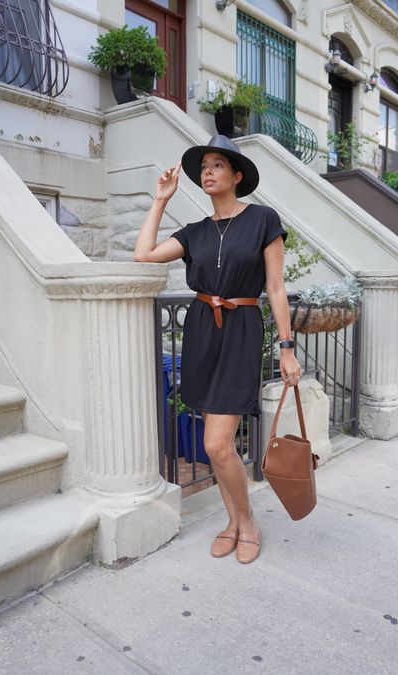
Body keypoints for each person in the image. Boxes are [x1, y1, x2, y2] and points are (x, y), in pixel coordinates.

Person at [134, 135, 302, 564]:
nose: (208, 171)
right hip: (203, 330)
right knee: (216, 445)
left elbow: (276, 288)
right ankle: (231, 522)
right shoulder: (194, 233)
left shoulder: (263, 219)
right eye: (204, 166)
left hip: (242, 330)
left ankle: (247, 522)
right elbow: (144, 254)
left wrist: (286, 348)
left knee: (217, 444)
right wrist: (160, 200)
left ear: (237, 176)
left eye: (217, 165)